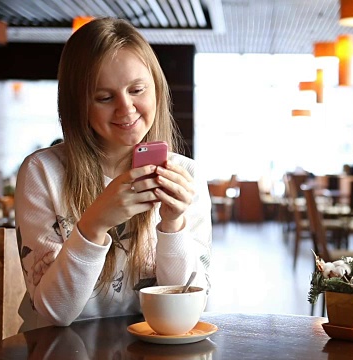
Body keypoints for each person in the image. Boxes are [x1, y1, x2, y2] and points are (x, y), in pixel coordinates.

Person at [14, 17, 212, 330]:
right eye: (105, 97)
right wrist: (94, 224)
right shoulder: (42, 172)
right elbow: (55, 313)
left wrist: (172, 225)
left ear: (157, 90)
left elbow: (190, 311)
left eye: (137, 90)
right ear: (78, 104)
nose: (126, 109)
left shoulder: (186, 174)